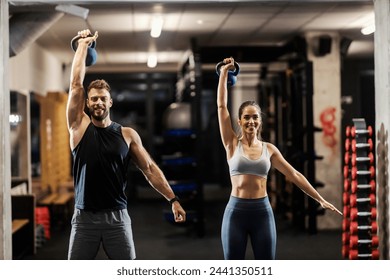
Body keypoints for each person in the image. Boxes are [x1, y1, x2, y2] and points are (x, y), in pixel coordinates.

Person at [66, 29, 186, 260]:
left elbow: (149, 169)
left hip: (117, 218)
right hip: (84, 219)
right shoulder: (78, 128)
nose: (98, 102)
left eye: (103, 98)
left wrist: (173, 199)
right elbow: (75, 84)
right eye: (93, 99)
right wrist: (82, 45)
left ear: (110, 102)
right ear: (87, 103)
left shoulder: (127, 134)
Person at [217, 57, 342, 260]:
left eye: (255, 117)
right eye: (246, 117)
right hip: (235, 213)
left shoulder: (270, 150)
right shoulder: (232, 144)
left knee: (267, 268)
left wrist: (319, 199)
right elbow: (222, 107)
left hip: (262, 213)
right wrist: (224, 73)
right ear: (239, 120)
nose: (251, 121)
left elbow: (293, 174)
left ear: (260, 121)